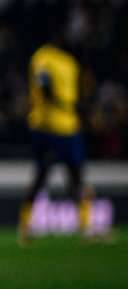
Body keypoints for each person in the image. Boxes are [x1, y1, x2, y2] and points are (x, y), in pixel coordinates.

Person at [20, 34, 96, 242]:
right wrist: (64, 105)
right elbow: (43, 84)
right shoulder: (45, 57)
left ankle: (85, 226)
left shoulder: (68, 61)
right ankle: (26, 226)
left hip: (67, 126)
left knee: (70, 177)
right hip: (49, 125)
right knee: (47, 176)